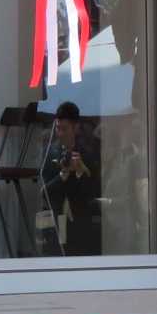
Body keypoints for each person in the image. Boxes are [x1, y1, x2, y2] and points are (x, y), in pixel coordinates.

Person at [40, 102, 102, 256]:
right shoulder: (50, 153)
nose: (60, 134)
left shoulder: (87, 153)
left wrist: (81, 170)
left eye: (64, 129)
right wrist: (63, 175)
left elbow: (95, 192)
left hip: (81, 227)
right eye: (58, 128)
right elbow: (44, 192)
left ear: (76, 128)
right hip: (55, 224)